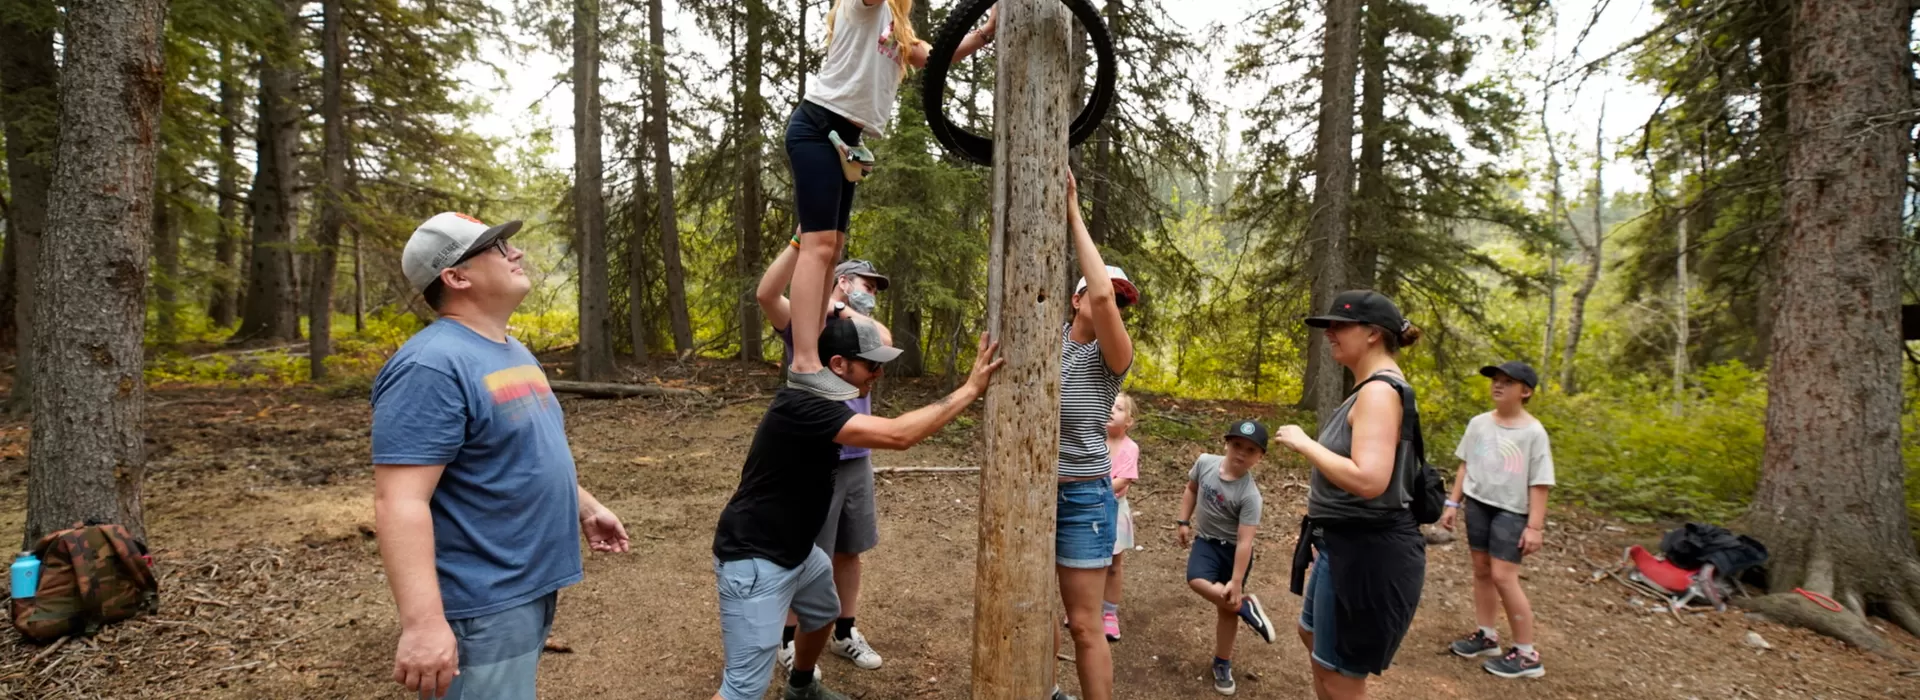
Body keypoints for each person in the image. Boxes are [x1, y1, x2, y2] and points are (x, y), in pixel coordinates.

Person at [372, 212, 631, 700]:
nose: (516, 252)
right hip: (481, 601)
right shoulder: (430, 365)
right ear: (456, 277)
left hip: (526, 586)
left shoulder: (511, 350)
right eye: (496, 248)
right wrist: (423, 624)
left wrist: (585, 506)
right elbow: (399, 501)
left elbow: (521, 452)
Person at [711, 316, 1005, 700]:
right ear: (838, 364)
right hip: (755, 559)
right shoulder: (805, 405)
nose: (878, 374)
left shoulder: (826, 400)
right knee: (743, 690)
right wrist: (970, 390)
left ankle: (801, 687)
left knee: (822, 613)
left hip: (796, 550)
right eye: (871, 365)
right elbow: (900, 435)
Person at [782, 0, 997, 401]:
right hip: (817, 127)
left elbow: (935, 56)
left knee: (833, 248)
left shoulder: (892, 25)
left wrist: (986, 30)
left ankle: (816, 355)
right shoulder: (863, 6)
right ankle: (804, 364)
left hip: (845, 141)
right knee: (819, 246)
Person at [1274, 289, 1427, 700]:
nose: (1329, 334)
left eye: (1339, 326)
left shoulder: (1378, 393)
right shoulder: (1371, 388)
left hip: (1368, 555)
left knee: (1340, 676)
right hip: (1345, 545)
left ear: (1373, 333)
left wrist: (1305, 443)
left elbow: (1370, 480)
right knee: (1314, 641)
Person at [756, 246, 893, 670]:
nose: (872, 294)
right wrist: (825, 301)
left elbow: (886, 341)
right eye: (867, 285)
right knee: (807, 553)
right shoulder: (807, 323)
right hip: (815, 457)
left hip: (857, 456)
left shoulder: (860, 328)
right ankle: (788, 639)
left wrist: (843, 309)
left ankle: (845, 632)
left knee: (850, 549)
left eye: (876, 290)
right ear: (843, 281)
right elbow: (766, 296)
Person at [1053, 172, 1137, 700]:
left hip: (1083, 497)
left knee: (1084, 625)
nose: (1114, 305)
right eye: (1103, 291)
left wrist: (1072, 210)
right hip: (1029, 493)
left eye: (1124, 302)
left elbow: (1104, 298)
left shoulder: (1112, 359)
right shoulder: (1044, 339)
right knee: (1030, 610)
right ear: (1072, 298)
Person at [1441, 361, 1554, 679]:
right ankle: (1487, 636)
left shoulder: (1533, 433)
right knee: (1481, 570)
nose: (1498, 385)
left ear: (1525, 391)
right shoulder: (1479, 424)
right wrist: (1453, 503)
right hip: (1478, 504)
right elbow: (1466, 465)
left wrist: (1534, 527)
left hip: (1512, 511)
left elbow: (1540, 482)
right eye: (1495, 380)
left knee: (1504, 576)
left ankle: (1527, 654)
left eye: (1507, 381)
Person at [1176, 420, 1278, 696]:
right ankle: (1245, 607)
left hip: (1234, 552)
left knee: (1226, 609)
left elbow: (1245, 541)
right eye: (1236, 445)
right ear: (1226, 444)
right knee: (1195, 579)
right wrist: (1183, 521)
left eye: (1250, 450)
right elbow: (1191, 489)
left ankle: (1222, 662)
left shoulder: (1250, 495)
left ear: (1260, 457)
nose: (1241, 453)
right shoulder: (1205, 463)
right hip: (1207, 542)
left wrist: (1236, 580)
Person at [1102, 393, 1140, 643]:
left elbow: (1123, 480)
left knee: (1114, 565)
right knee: (1088, 562)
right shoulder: (1093, 439)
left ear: (1129, 421)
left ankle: (1109, 613)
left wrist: (1094, 489)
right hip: (1087, 508)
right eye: (1109, 404)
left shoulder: (1130, 447)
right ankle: (1084, 607)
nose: (1111, 409)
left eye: (1118, 408)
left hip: (1114, 509)